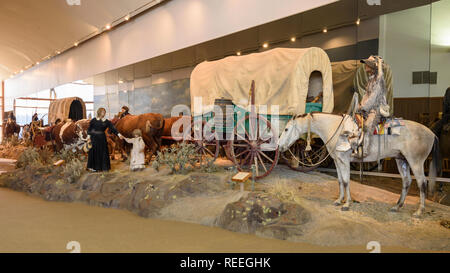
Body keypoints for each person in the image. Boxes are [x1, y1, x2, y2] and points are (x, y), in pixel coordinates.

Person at [87, 107, 122, 172]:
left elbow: (113, 128)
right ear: (99, 112)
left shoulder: (106, 121)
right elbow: (89, 129)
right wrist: (88, 137)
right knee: (94, 152)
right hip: (94, 138)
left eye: (105, 112)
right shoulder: (93, 120)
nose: (104, 113)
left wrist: (119, 134)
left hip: (102, 138)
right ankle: (94, 168)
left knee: (103, 152)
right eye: (103, 111)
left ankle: (104, 167)